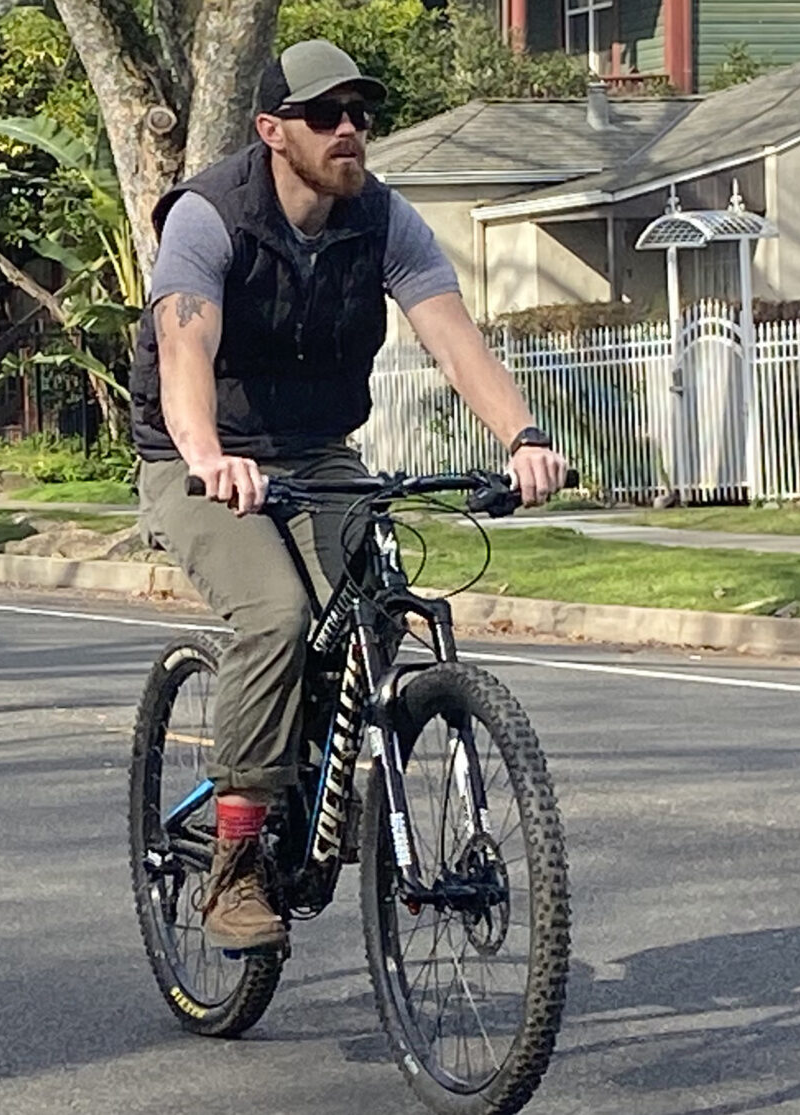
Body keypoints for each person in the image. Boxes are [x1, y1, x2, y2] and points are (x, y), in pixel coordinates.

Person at [133, 41, 571, 952]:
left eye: (359, 116)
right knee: (277, 615)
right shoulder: (211, 217)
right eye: (324, 116)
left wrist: (522, 438)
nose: (348, 131)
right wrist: (211, 454)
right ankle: (238, 860)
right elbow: (184, 350)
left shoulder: (382, 220)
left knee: (375, 599)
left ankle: (337, 759)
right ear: (271, 131)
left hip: (316, 449)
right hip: (198, 454)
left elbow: (454, 339)